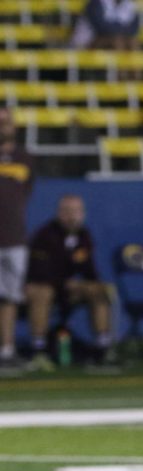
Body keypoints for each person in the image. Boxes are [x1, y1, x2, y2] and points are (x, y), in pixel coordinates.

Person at [25, 195, 115, 369]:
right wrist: (64, 283)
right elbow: (38, 272)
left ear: (82, 214)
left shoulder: (83, 235)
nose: (71, 216)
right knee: (43, 293)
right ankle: (38, 349)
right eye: (67, 211)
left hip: (68, 290)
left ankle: (103, 347)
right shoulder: (45, 234)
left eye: (75, 211)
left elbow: (89, 269)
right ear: (58, 213)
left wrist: (93, 284)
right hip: (44, 287)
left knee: (97, 290)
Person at [0, 106, 36, 370]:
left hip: (14, 237)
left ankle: (7, 349)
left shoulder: (24, 157)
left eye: (6, 121)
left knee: (10, 297)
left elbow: (25, 193)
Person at [70, 0, 140, 51]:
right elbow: (102, 28)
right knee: (117, 42)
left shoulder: (128, 4)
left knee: (133, 42)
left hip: (109, 38)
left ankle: (136, 71)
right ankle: (120, 71)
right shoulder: (96, 3)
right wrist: (121, 29)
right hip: (85, 42)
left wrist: (118, 29)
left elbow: (134, 29)